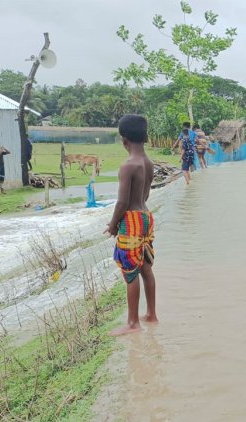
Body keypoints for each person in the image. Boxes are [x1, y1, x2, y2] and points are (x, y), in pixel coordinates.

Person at [105, 114, 158, 336]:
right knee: (145, 266)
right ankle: (151, 315)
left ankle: (133, 323)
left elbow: (123, 202)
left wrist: (113, 225)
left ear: (123, 139)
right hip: (146, 216)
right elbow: (144, 194)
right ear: (145, 137)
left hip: (132, 220)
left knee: (130, 271)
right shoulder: (148, 163)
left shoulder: (128, 165)